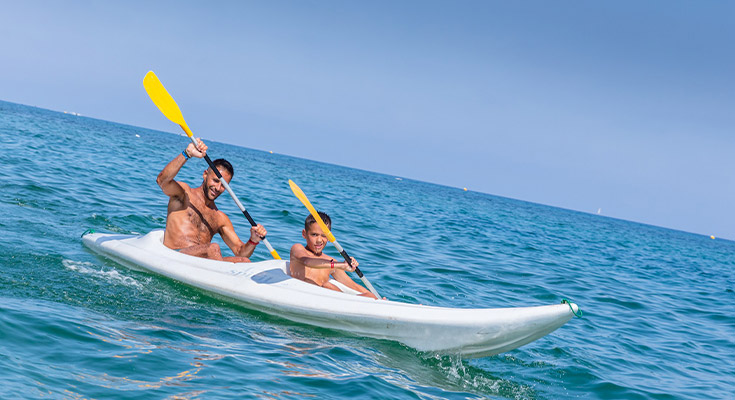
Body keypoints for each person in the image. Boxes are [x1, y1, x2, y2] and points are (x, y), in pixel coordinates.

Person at [156, 138, 267, 262]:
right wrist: (187, 153)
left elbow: (240, 251)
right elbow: (162, 180)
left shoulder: (220, 218)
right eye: (215, 181)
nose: (218, 188)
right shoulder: (184, 194)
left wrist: (253, 240)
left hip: (201, 263)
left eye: (223, 185)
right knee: (213, 248)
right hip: (175, 255)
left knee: (244, 261)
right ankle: (219, 278)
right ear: (205, 175)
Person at [290, 212, 377, 299]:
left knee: (370, 295)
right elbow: (307, 261)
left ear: (328, 237)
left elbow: (352, 285)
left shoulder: (330, 260)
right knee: (327, 286)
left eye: (324, 235)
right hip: (304, 296)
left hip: (328, 301)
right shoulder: (298, 249)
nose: (319, 240)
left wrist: (378, 300)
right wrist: (341, 265)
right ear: (304, 234)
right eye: (314, 235)